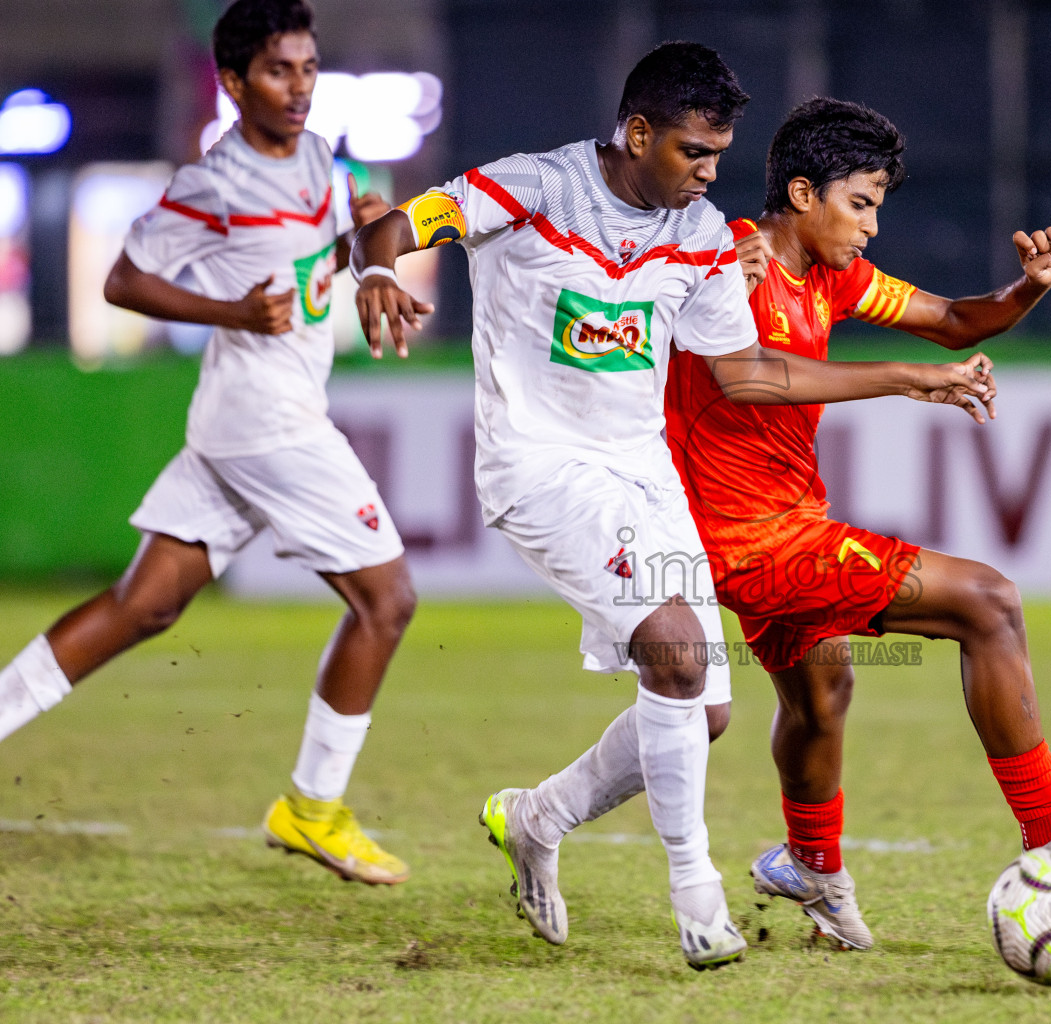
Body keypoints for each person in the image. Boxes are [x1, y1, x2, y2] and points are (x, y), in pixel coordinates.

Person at [351, 44, 995, 969]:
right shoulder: (527, 187)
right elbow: (397, 229)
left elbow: (747, 373)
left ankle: (537, 819)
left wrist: (905, 378)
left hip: (643, 475)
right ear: (639, 131)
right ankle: (697, 897)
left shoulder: (697, 236)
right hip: (537, 467)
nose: (709, 175)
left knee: (703, 709)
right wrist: (378, 275)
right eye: (694, 152)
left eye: (719, 157)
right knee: (681, 650)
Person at [664, 98, 1051, 951]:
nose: (871, 226)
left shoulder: (832, 276)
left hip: (780, 521)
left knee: (823, 693)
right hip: (743, 541)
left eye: (878, 206)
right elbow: (752, 375)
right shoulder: (727, 256)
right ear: (802, 192)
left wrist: (1027, 290)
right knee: (989, 603)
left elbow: (955, 320)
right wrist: (907, 379)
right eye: (860, 204)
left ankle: (809, 864)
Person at [0, 0, 416, 886]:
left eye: (307, 68)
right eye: (279, 71)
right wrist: (229, 310)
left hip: (243, 418)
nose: (299, 88)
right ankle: (312, 809)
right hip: (268, 421)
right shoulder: (213, 184)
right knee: (387, 601)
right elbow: (123, 279)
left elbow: (324, 255)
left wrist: (370, 249)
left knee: (142, 605)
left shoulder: (314, 155)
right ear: (233, 83)